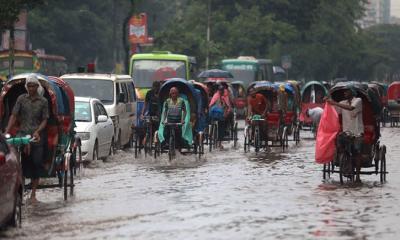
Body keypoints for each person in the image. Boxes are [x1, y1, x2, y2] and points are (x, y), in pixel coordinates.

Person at [5, 74, 49, 203]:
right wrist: (7, 131)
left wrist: (37, 131)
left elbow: (45, 120)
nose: (30, 88)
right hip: (22, 133)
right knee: (19, 162)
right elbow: (14, 115)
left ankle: (33, 194)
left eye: (33, 86)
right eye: (28, 86)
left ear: (37, 86)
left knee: (36, 162)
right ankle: (21, 190)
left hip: (37, 135)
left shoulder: (43, 101)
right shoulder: (21, 99)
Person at [326, 88, 363, 182]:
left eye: (347, 91)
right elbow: (334, 110)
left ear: (352, 92)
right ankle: (343, 161)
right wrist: (328, 102)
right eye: (344, 91)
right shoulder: (343, 102)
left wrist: (335, 103)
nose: (345, 93)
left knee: (357, 152)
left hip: (357, 132)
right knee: (339, 143)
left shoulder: (358, 100)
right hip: (346, 132)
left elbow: (351, 108)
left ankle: (358, 175)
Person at [209, 84, 232, 149]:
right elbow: (211, 104)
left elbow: (228, 106)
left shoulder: (225, 96)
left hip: (222, 115)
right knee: (216, 123)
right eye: (220, 90)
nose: (221, 92)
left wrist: (226, 113)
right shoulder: (216, 96)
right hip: (215, 115)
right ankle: (210, 134)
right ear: (218, 91)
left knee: (223, 124)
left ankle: (220, 141)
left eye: (222, 90)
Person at [140, 81, 161, 146]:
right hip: (150, 114)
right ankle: (145, 139)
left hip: (159, 114)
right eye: (154, 88)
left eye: (157, 88)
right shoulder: (149, 93)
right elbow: (145, 104)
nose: (155, 89)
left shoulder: (161, 93)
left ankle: (157, 140)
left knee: (157, 128)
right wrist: (142, 114)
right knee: (146, 126)